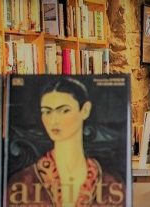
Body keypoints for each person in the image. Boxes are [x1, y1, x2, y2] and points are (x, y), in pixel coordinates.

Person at [7, 78, 125, 206]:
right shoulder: (22, 182)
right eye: (47, 112)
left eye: (64, 110)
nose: (53, 121)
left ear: (85, 110)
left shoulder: (112, 183)